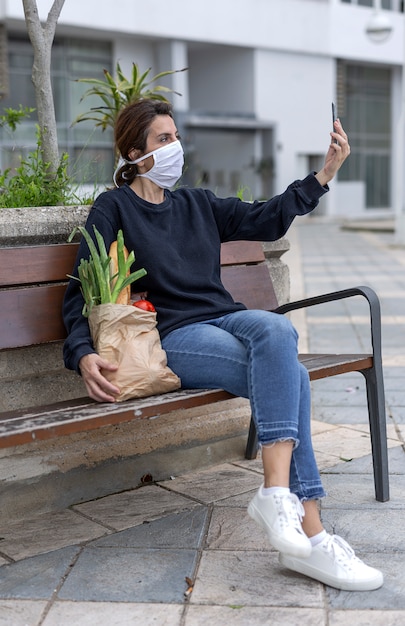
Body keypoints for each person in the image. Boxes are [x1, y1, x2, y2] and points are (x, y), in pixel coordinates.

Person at [63, 98, 383, 592]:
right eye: (163, 140)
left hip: (227, 318)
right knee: (292, 375)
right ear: (134, 152)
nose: (176, 148)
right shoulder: (114, 207)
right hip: (175, 336)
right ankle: (314, 535)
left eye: (176, 137)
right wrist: (82, 351)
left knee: (277, 331)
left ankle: (276, 494)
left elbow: (268, 218)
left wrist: (324, 174)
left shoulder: (197, 204)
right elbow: (80, 288)